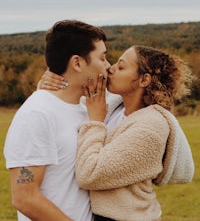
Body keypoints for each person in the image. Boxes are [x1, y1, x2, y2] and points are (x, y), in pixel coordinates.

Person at [41, 45, 194, 221]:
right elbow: (68, 105)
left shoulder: (151, 127)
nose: (110, 68)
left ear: (144, 80)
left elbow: (90, 174)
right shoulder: (114, 107)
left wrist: (96, 122)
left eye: (121, 67)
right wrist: (49, 85)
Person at [3, 19, 110, 221]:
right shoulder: (37, 115)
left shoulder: (88, 107)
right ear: (77, 63)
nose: (108, 66)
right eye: (102, 58)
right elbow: (25, 198)